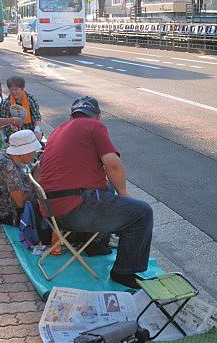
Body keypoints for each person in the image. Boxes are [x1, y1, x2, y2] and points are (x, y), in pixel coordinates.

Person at [38, 96, 153, 289]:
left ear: (72, 115)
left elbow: (42, 170)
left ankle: (94, 244)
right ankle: (123, 272)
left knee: (106, 188)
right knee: (142, 213)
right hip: (74, 211)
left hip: (51, 212)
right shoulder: (94, 127)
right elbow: (113, 164)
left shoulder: (58, 130)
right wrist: (124, 193)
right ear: (97, 116)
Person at [0, 129, 41, 225]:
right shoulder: (7, 167)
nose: (34, 155)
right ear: (24, 152)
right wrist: (35, 179)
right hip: (8, 215)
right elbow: (21, 203)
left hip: (6, 207)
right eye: (33, 151)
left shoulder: (7, 156)